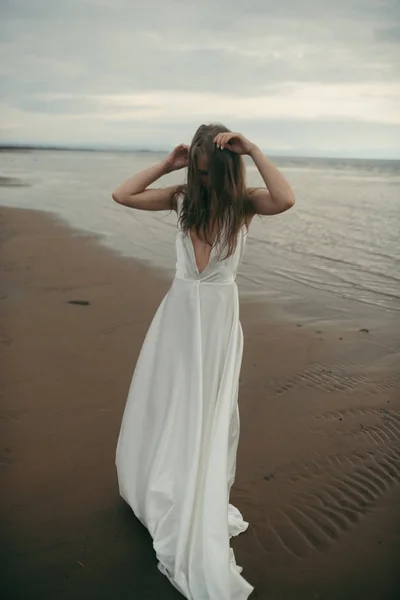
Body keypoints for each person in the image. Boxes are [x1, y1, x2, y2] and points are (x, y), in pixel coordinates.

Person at [113, 123, 295, 599]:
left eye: (207, 170)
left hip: (215, 320)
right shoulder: (180, 198)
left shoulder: (245, 204)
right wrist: (166, 165)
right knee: (170, 400)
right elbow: (122, 195)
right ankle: (162, 480)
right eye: (196, 170)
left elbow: (287, 198)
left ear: (225, 167)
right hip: (177, 316)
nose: (202, 180)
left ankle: (195, 484)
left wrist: (253, 147)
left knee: (205, 407)